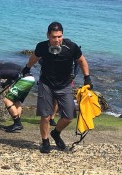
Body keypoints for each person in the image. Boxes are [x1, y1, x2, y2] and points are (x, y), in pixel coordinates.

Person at [21, 22, 93, 153]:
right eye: (54, 37)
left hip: (64, 85)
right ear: (48, 35)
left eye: (59, 36)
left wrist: (87, 77)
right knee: (45, 116)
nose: (57, 40)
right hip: (46, 84)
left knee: (69, 116)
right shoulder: (42, 46)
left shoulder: (71, 47)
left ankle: (56, 133)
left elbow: (82, 61)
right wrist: (27, 68)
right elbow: (34, 57)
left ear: (62, 35)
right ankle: (45, 142)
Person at [0, 54, 35, 132]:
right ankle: (17, 123)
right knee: (16, 101)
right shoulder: (6, 65)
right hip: (31, 79)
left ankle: (17, 124)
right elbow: (13, 75)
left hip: (24, 80)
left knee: (7, 100)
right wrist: (5, 84)